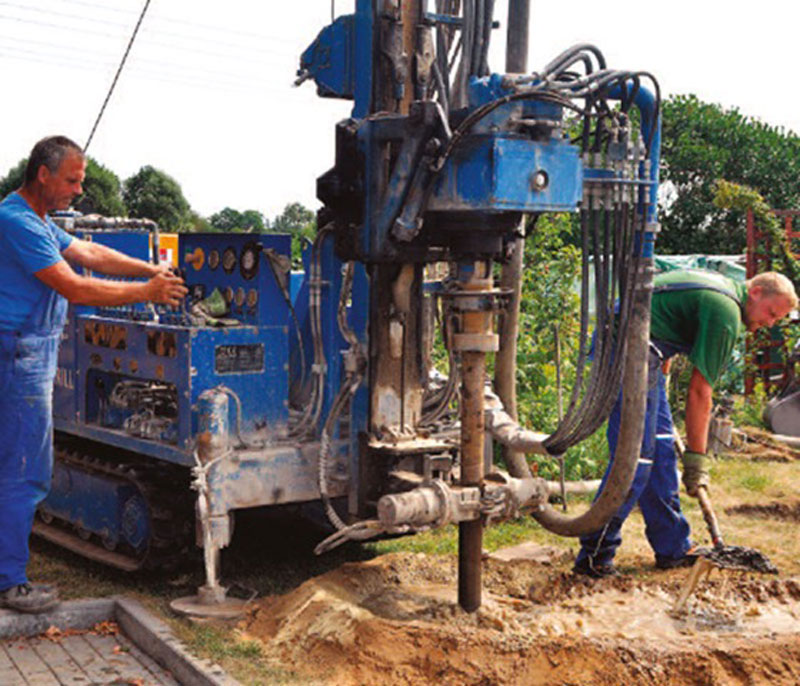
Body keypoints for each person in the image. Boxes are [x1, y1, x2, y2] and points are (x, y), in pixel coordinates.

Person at [0, 135, 188, 612]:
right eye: (72, 180)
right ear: (43, 174)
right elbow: (75, 286)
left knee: (21, 466)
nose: (79, 191)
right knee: (25, 470)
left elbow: (90, 254)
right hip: (18, 356)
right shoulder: (15, 221)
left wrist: (152, 269)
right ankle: (8, 582)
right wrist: (145, 292)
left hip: (28, 352)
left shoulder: (39, 221)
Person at [573, 268, 797, 577]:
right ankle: (594, 556)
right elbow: (699, 393)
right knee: (635, 458)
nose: (770, 323)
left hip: (643, 345)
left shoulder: (720, 287)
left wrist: (666, 346)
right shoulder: (727, 312)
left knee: (662, 453)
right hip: (630, 347)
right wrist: (696, 462)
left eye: (777, 319)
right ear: (756, 291)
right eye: (771, 313)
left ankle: (673, 548)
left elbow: (666, 301)